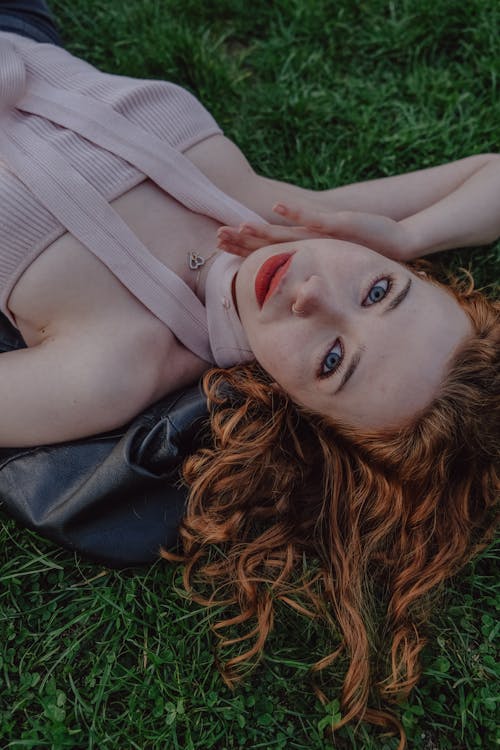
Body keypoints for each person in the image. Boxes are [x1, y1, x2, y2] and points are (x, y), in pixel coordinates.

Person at [0, 2, 498, 746]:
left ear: (304, 414)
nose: (312, 293)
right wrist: (405, 231)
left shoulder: (117, 366)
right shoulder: (302, 218)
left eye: (332, 360)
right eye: (380, 291)